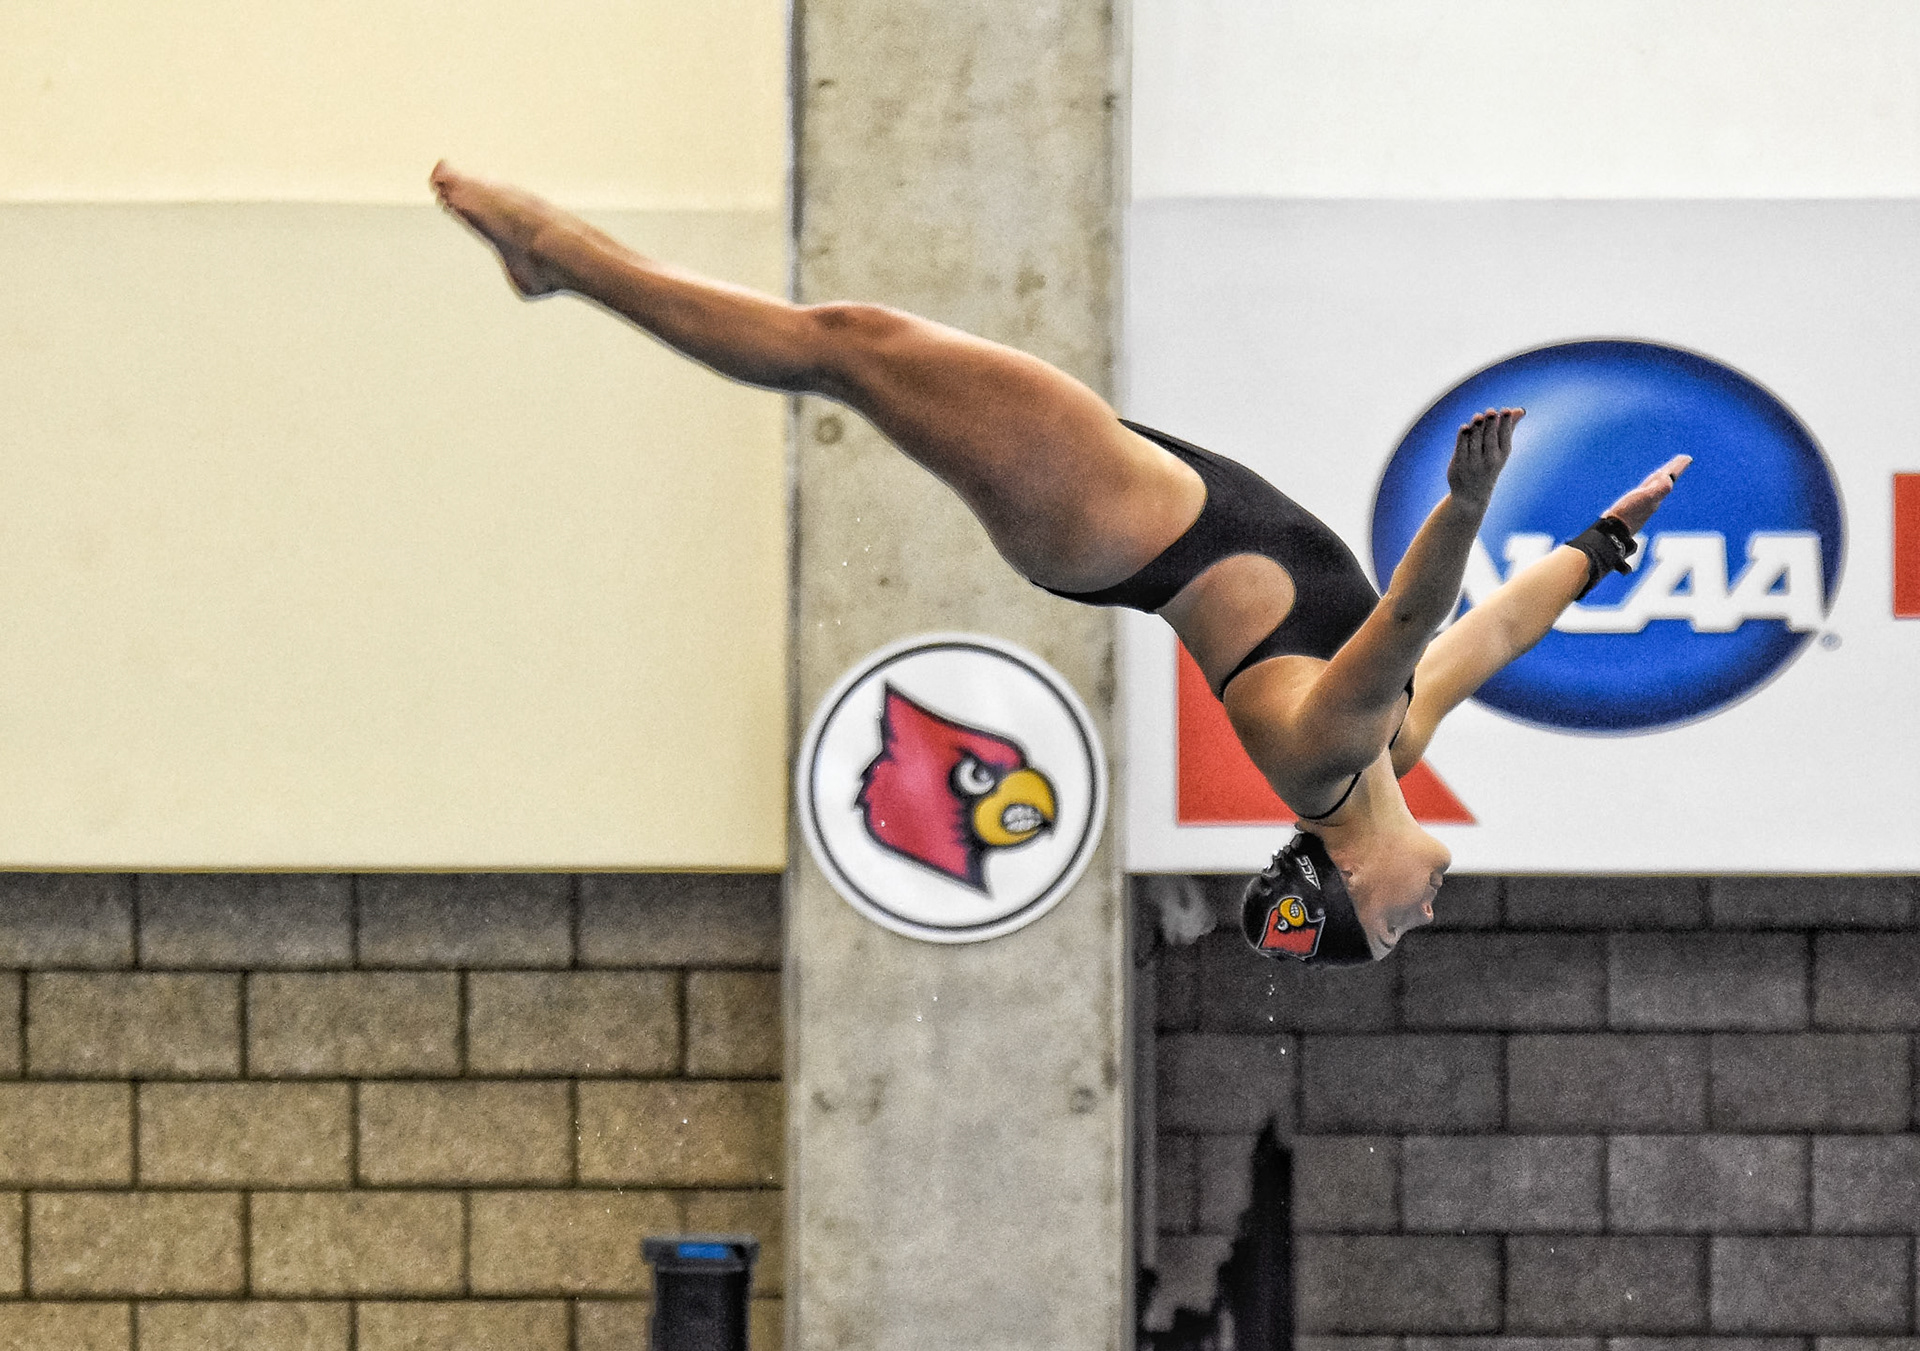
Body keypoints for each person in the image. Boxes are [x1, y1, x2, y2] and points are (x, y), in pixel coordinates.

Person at [429, 163, 1688, 964]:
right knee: (849, 347)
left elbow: (1416, 615)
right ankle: (565, 259)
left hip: (1111, 521)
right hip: (1139, 502)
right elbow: (1496, 633)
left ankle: (562, 261)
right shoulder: (1395, 750)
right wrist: (1606, 539)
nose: (1420, 923)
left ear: (1348, 873)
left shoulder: (1323, 757)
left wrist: (1468, 500)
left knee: (846, 347)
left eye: (1390, 926)